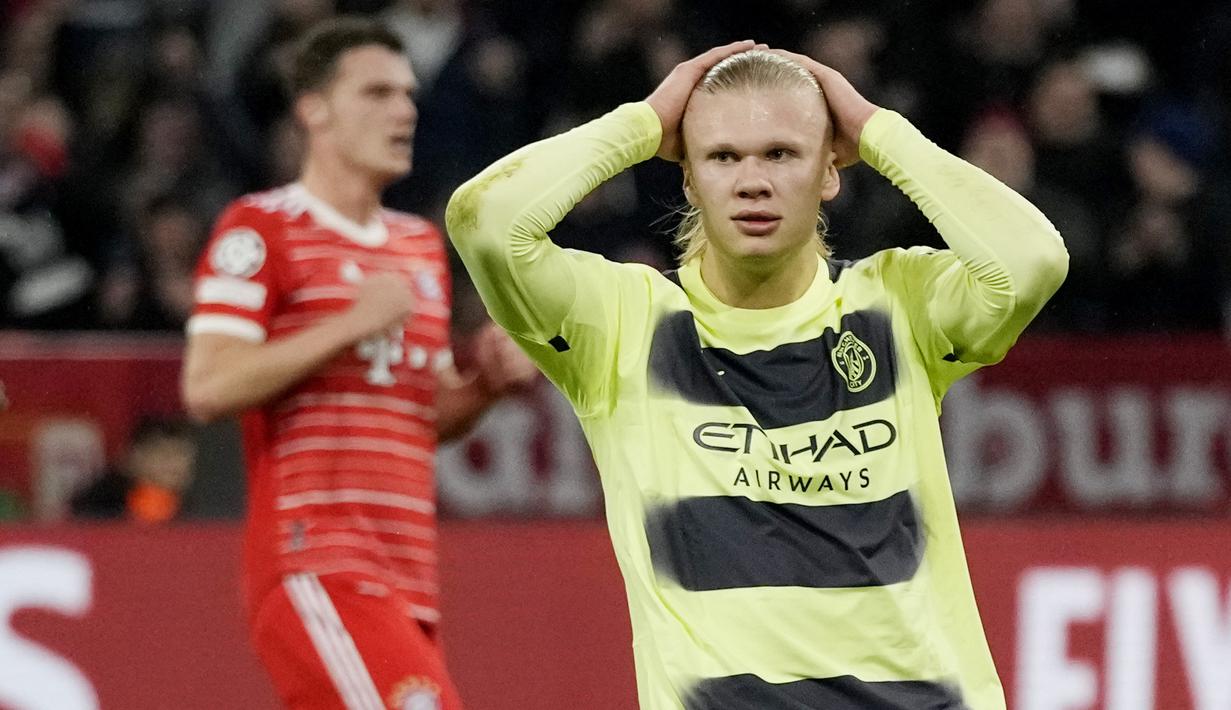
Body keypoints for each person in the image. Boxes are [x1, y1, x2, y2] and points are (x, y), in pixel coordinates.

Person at [447, 42, 1068, 709]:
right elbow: (486, 224)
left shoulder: (895, 306)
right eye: (721, 156)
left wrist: (877, 130)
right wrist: (643, 122)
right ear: (687, 178)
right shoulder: (622, 324)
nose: (752, 181)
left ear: (830, 171)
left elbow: (1030, 260)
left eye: (780, 153)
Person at [180, 17, 535, 710]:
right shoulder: (260, 229)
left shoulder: (417, 248)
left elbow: (422, 417)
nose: (402, 110)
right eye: (376, 93)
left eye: (406, 94)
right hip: (314, 559)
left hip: (406, 570)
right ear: (314, 108)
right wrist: (347, 324)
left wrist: (486, 386)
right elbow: (208, 386)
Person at [70, 415, 197, 523]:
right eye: (164, 454)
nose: (175, 464)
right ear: (134, 457)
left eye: (182, 455)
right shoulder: (98, 508)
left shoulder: (196, 516)